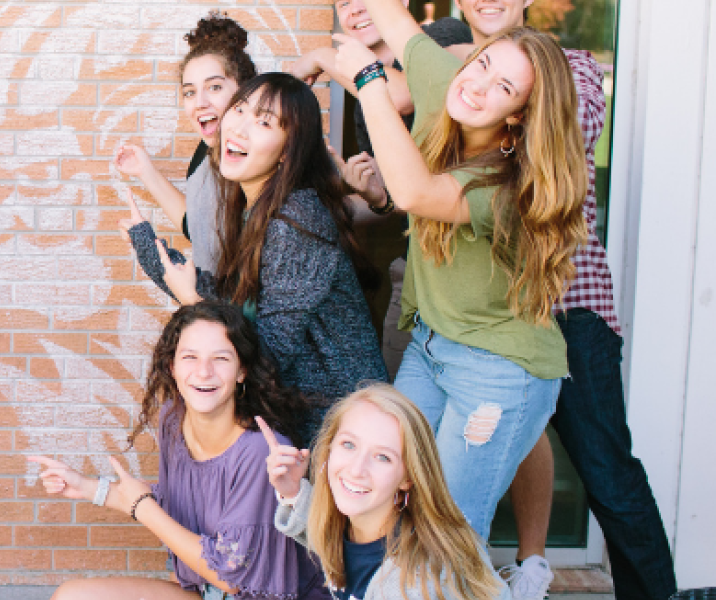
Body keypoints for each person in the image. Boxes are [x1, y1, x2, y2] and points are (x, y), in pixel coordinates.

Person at [424, 2, 676, 598]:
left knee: (607, 472)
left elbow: (562, 128)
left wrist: (456, 68)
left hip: (570, 312)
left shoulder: (574, 69)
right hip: (485, 318)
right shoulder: (458, 81)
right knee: (439, 470)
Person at [331, 0, 588, 551]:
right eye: (482, 65)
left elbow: (416, 194)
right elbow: (393, 18)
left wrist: (370, 81)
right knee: (394, 502)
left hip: (497, 372)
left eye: (504, 89)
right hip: (432, 346)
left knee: (448, 531)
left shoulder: (512, 186)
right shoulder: (455, 79)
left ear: (518, 113)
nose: (478, 87)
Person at [131, 73, 386, 441]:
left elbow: (268, 355)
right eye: (240, 110)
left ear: (287, 151)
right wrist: (151, 250)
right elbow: (239, 307)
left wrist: (192, 300)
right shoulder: (254, 208)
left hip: (342, 426)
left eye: (264, 122)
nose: (239, 127)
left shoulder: (295, 220)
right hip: (308, 415)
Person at [29, 302, 327, 600]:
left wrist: (143, 509)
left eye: (221, 358)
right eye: (190, 357)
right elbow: (176, 502)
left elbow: (230, 575)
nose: (203, 372)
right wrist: (88, 488)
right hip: (203, 592)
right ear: (172, 366)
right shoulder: (173, 418)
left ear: (241, 371)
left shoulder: (260, 450)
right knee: (72, 596)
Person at [287, 0, 472, 347]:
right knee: (396, 391)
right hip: (416, 267)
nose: (355, 9)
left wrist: (323, 56)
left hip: (469, 272)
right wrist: (364, 197)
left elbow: (405, 94)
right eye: (343, 2)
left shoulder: (439, 35)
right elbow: (400, 196)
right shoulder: (363, 104)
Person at [264, 384, 511, 600]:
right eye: (348, 444)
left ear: (408, 478)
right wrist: (293, 492)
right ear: (329, 447)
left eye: (383, 457)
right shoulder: (363, 523)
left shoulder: (413, 585)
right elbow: (325, 533)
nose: (357, 469)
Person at [111, 12, 257, 274]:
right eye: (189, 92)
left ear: (245, 90)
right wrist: (145, 172)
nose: (199, 102)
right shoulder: (205, 157)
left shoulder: (266, 158)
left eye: (214, 87)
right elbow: (199, 231)